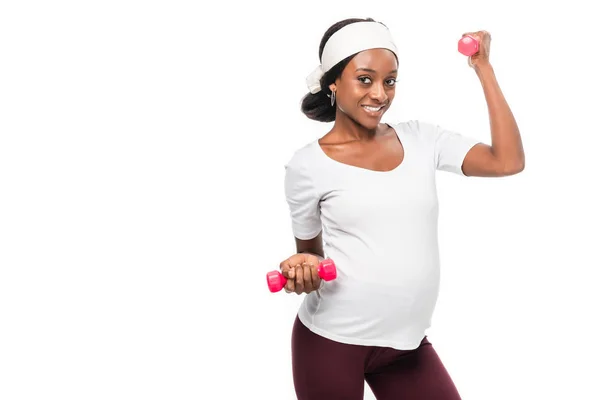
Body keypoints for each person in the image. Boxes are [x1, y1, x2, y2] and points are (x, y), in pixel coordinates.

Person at [280, 17, 525, 400]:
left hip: (406, 345)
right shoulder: (307, 166)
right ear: (333, 82)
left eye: (390, 80)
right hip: (331, 342)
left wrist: (484, 69)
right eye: (365, 79)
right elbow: (308, 256)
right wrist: (303, 269)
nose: (380, 93)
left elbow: (507, 160)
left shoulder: (422, 139)